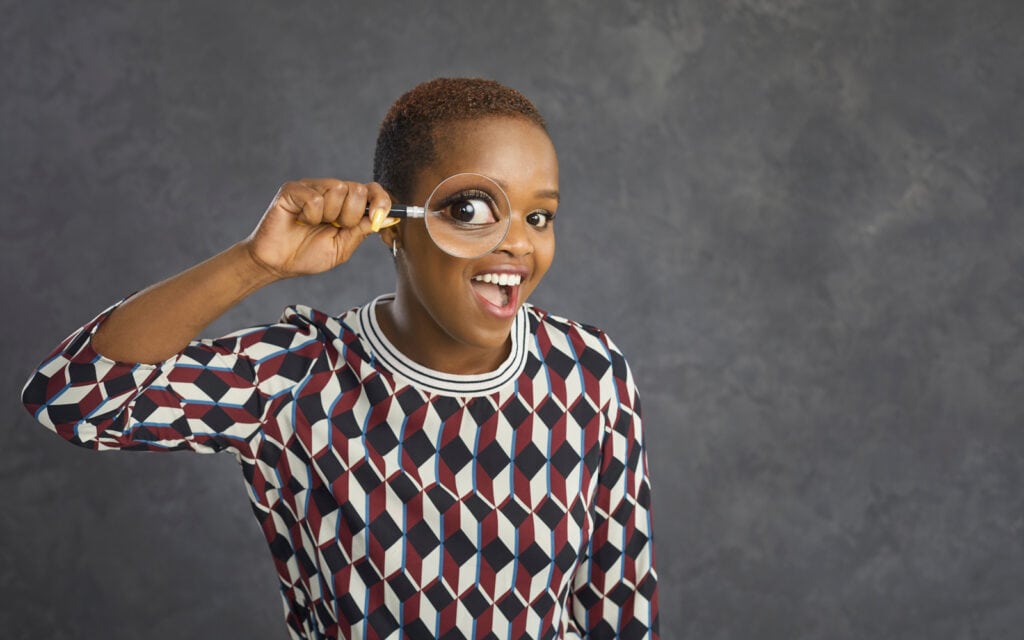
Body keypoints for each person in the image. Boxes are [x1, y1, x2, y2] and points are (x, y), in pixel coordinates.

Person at [22, 78, 659, 639]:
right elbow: (74, 401)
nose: (517, 241)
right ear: (395, 224)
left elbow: (620, 607)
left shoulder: (589, 369)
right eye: (471, 210)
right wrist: (256, 263)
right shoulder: (298, 377)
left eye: (540, 216)